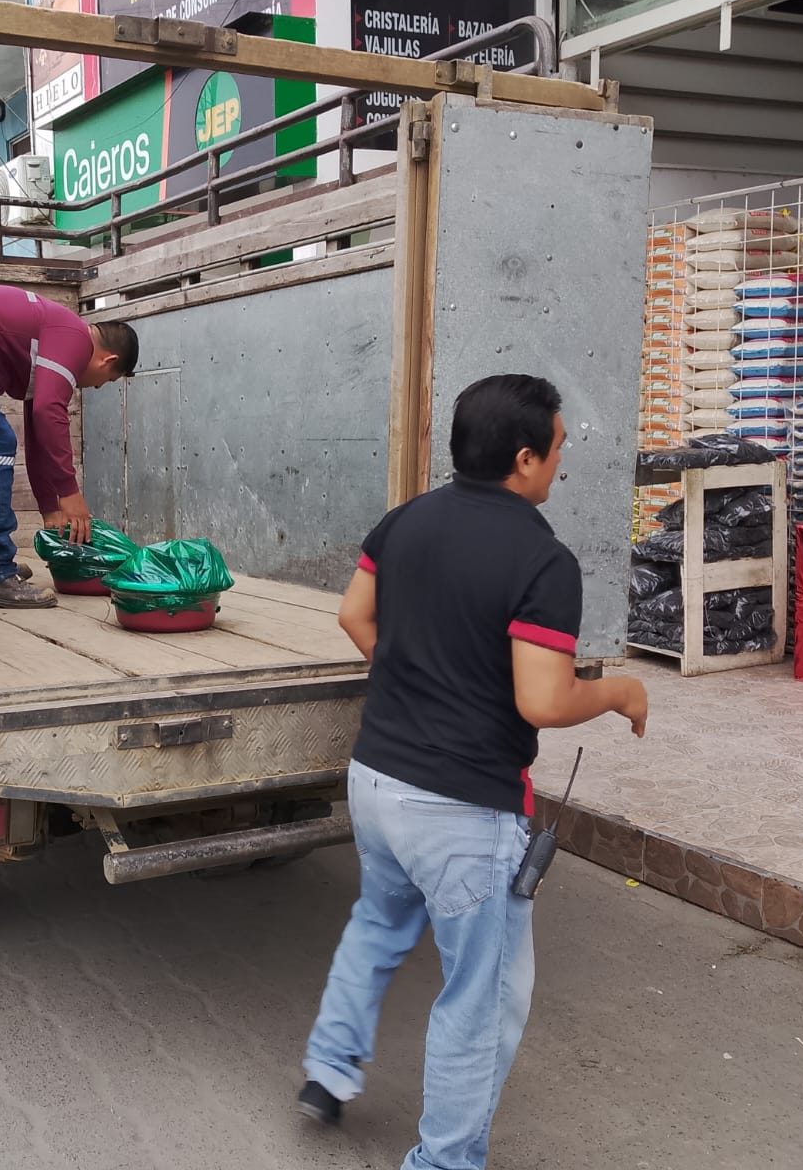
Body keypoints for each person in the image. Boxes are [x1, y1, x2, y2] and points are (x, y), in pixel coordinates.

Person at [298, 374, 648, 1170]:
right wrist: (620, 692)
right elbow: (543, 700)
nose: (561, 462)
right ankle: (445, 1161)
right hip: (461, 809)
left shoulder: (406, 520)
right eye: (557, 448)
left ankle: (328, 1071)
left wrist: (415, 680)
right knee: (481, 998)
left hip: (376, 780)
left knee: (378, 923)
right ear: (524, 458)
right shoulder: (542, 560)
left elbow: (354, 614)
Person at [0, 285, 139, 609]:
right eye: (108, 380)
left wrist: (49, 507)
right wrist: (70, 493)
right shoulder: (75, 338)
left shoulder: (55, 341)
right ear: (107, 360)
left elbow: (38, 432)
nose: (98, 386)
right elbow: (48, 412)